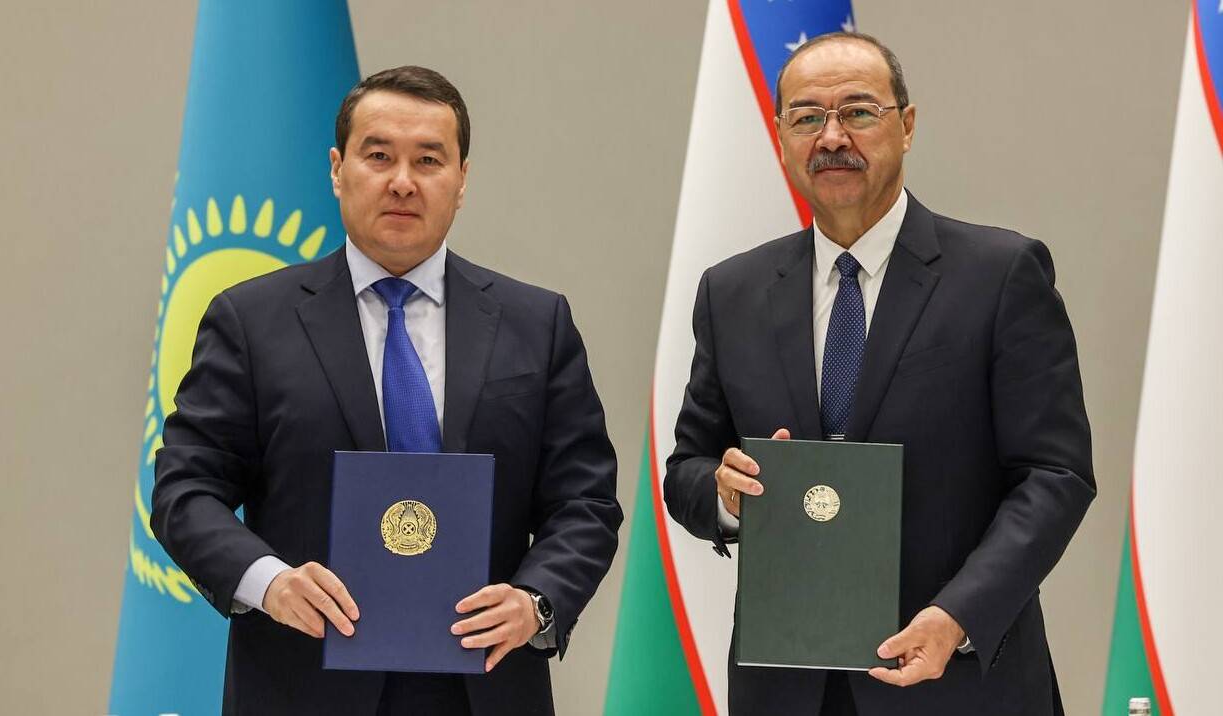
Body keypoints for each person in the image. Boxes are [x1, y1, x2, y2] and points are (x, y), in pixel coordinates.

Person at [152, 66, 622, 716]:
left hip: (484, 683)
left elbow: (585, 501)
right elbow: (185, 489)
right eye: (378, 156)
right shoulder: (251, 321)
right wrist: (270, 583)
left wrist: (535, 600)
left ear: (462, 180)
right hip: (303, 680)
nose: (403, 181)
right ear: (337, 169)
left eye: (428, 160)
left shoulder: (536, 324)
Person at [663, 32, 1094, 716]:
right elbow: (687, 465)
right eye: (807, 117)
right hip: (788, 686)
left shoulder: (1000, 275)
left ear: (907, 125)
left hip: (956, 681)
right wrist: (722, 491)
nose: (832, 137)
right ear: (781, 137)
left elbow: (1055, 475)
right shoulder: (732, 292)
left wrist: (958, 615)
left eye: (858, 112)